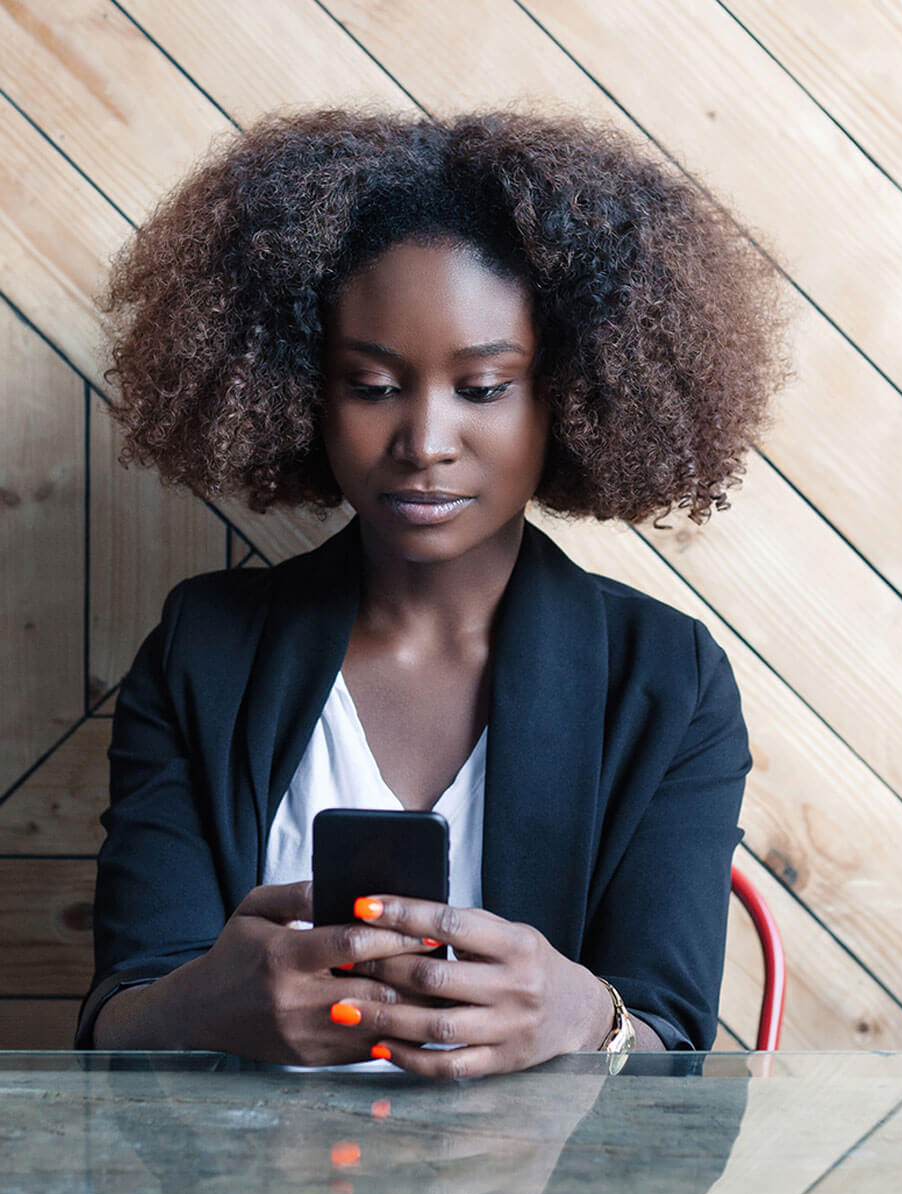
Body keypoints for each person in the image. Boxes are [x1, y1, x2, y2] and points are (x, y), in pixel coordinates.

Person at [75, 107, 787, 1075]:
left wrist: (585, 1016)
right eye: (370, 385)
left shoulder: (663, 676)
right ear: (302, 396)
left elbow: (668, 1038)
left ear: (567, 397)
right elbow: (120, 1014)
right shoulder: (206, 647)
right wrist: (199, 1003)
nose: (424, 441)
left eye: (484, 388)